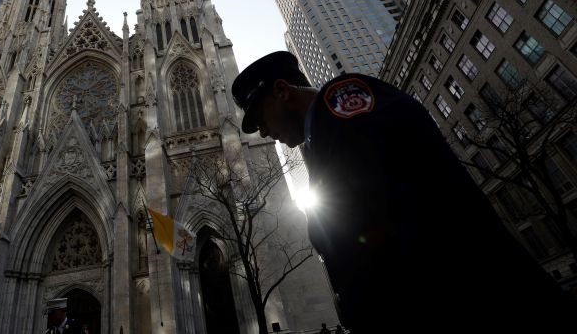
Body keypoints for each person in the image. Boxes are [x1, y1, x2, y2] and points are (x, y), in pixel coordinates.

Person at [231, 51, 576, 333]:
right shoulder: (320, 135)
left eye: (260, 116)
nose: (262, 131)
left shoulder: (344, 102)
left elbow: (404, 213)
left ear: (282, 91)